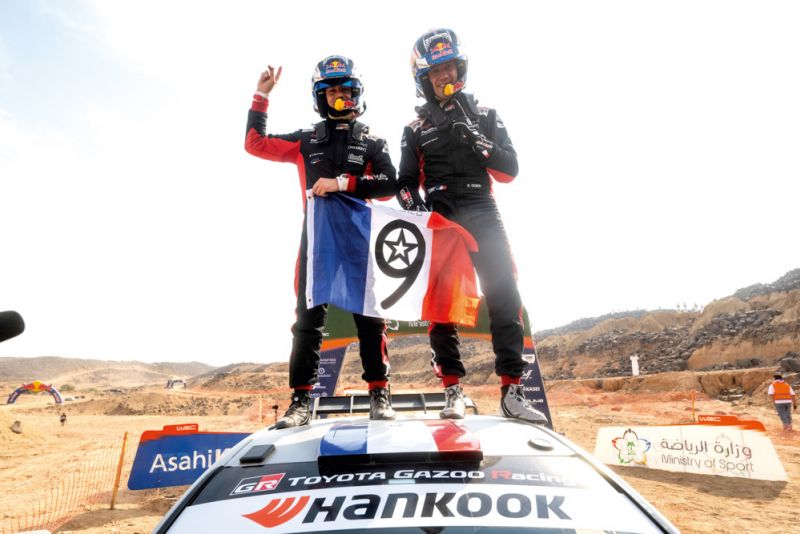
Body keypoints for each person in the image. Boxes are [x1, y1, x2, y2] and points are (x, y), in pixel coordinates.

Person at [396, 28, 547, 424]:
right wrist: (420, 212)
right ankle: (453, 390)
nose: (444, 76)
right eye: (435, 71)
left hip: (483, 208)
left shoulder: (486, 114)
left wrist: (480, 141)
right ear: (423, 79)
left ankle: (512, 391)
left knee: (505, 295)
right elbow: (404, 186)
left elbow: (510, 170)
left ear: (460, 68)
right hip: (442, 216)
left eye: (449, 67)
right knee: (441, 307)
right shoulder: (414, 128)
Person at [245, 56, 398, 428]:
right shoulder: (306, 140)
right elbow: (255, 143)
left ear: (357, 93)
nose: (339, 96)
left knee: (371, 319)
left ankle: (379, 393)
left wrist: (343, 183)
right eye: (332, 91)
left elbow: (390, 184)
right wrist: (261, 96)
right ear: (320, 97)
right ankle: (300, 402)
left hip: (361, 239)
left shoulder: (372, 141)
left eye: (345, 89)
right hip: (317, 240)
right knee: (308, 321)